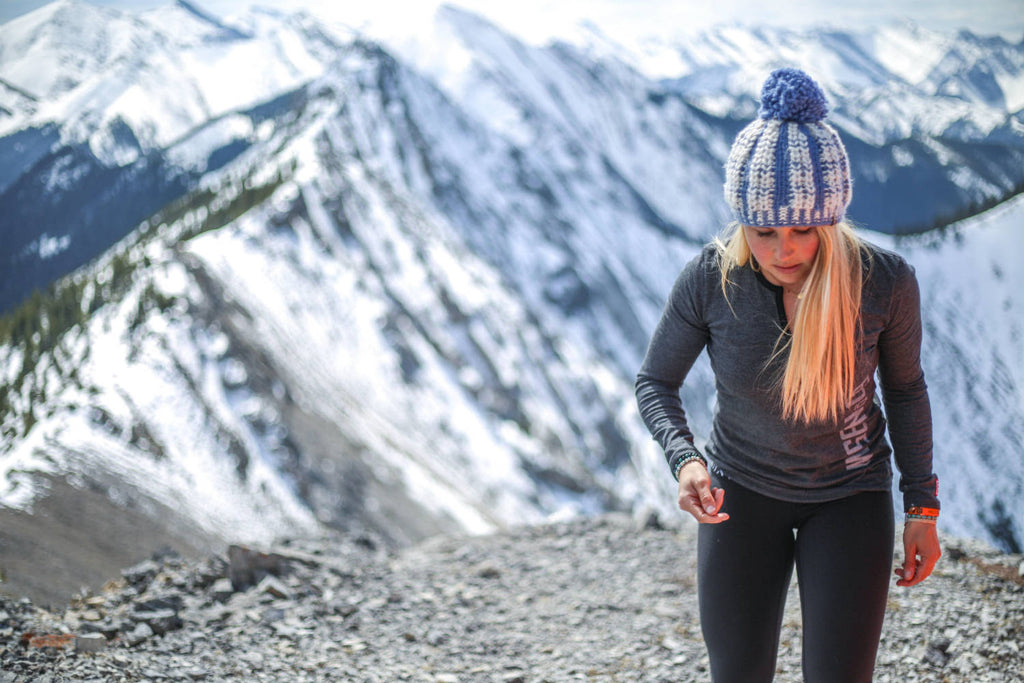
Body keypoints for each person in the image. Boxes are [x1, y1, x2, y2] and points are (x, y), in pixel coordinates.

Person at [635, 68, 941, 683]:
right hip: (738, 498)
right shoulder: (711, 279)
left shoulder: (883, 282)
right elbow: (656, 383)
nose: (783, 250)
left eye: (803, 228)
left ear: (830, 215)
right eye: (763, 230)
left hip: (850, 498)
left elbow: (904, 390)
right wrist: (686, 460)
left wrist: (922, 509)